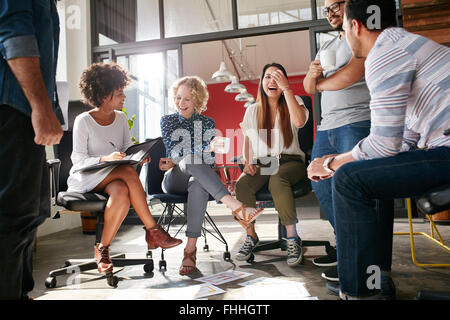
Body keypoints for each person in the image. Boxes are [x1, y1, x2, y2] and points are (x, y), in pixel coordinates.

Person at [307, 0, 450, 299]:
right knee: (358, 173)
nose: (345, 36)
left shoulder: (383, 55)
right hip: (440, 148)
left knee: (348, 178)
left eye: (345, 28)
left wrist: (332, 163)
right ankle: (372, 278)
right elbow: (404, 139)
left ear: (355, 26)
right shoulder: (403, 45)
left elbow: (383, 145)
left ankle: (361, 290)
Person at [67, 62, 182, 275]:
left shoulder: (120, 118)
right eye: (119, 93)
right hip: (86, 177)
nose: (124, 97)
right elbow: (78, 160)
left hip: (113, 177)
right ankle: (153, 230)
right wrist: (105, 158)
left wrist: (138, 156)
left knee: (121, 193)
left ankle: (102, 249)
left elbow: (125, 149)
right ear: (104, 96)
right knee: (127, 173)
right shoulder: (84, 121)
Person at [160, 76, 262, 275]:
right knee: (188, 157)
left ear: (197, 101)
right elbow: (175, 154)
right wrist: (205, 147)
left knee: (198, 184)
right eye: (178, 98)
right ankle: (235, 205)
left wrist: (211, 150)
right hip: (174, 179)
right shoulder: (168, 121)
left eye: (187, 99)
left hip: (196, 178)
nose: (181, 103)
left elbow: (210, 162)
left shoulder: (207, 123)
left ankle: (190, 250)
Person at [303, 0, 375, 278]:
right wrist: (313, 77)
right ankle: (347, 247)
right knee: (321, 185)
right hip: (327, 127)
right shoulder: (327, 46)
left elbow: (352, 74)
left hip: (357, 121)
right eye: (326, 9)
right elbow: (310, 88)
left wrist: (320, 83)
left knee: (352, 190)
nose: (330, 13)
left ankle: (365, 264)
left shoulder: (361, 37)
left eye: (336, 5)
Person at [0, 0, 63, 300]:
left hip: (22, 111)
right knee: (12, 218)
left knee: (30, 215)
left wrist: (48, 108)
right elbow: (13, 33)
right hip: (13, 109)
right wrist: (40, 107)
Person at [234, 63, 309, 267]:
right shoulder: (252, 110)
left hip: (290, 161)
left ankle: (293, 238)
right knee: (241, 185)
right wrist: (247, 161)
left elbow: (300, 121)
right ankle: (251, 236)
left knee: (278, 179)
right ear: (261, 83)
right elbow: (247, 141)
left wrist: (287, 90)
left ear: (284, 80)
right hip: (263, 162)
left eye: (277, 77)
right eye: (267, 77)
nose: (271, 81)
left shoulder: (295, 101)